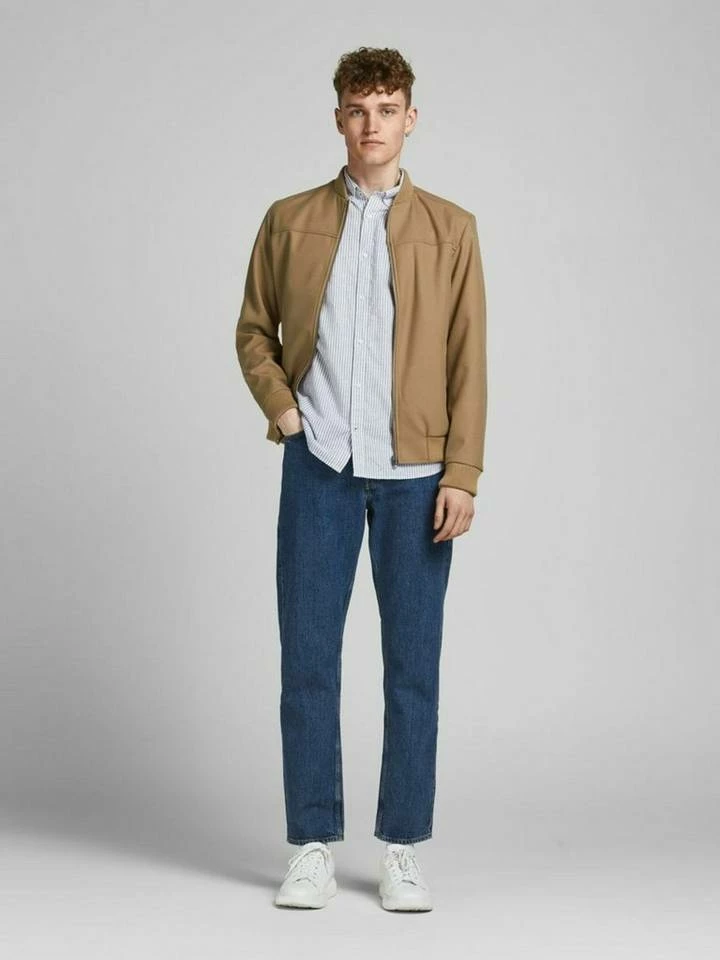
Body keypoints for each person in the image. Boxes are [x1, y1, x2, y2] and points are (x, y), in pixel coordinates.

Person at [235, 46, 487, 911]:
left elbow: (468, 360)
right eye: (357, 109)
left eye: (386, 109)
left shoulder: (452, 229)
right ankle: (310, 843)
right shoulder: (289, 220)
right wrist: (285, 411)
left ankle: (401, 848)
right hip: (321, 466)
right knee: (307, 659)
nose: (371, 124)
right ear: (338, 119)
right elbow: (254, 331)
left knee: (413, 666)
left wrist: (463, 472)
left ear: (410, 119)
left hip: (418, 474)